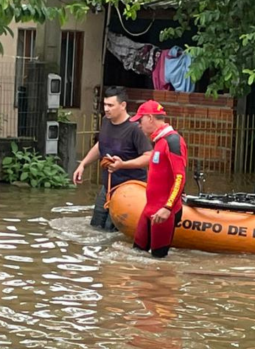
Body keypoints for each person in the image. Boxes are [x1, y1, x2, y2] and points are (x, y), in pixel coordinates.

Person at [110, 100, 188, 258]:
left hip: (163, 212)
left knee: (158, 262)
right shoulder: (159, 141)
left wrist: (167, 208)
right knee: (136, 256)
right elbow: (157, 167)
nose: (139, 125)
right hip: (149, 209)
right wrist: (123, 164)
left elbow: (180, 177)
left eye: (141, 120)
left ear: (150, 118)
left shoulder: (172, 141)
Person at [73, 86, 153, 231]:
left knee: (113, 230)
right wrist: (83, 164)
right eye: (105, 105)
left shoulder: (135, 128)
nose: (107, 109)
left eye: (110, 105)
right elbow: (101, 145)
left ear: (123, 105)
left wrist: (123, 165)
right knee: (95, 226)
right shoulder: (105, 121)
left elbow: (148, 157)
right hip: (108, 187)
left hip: (129, 190)